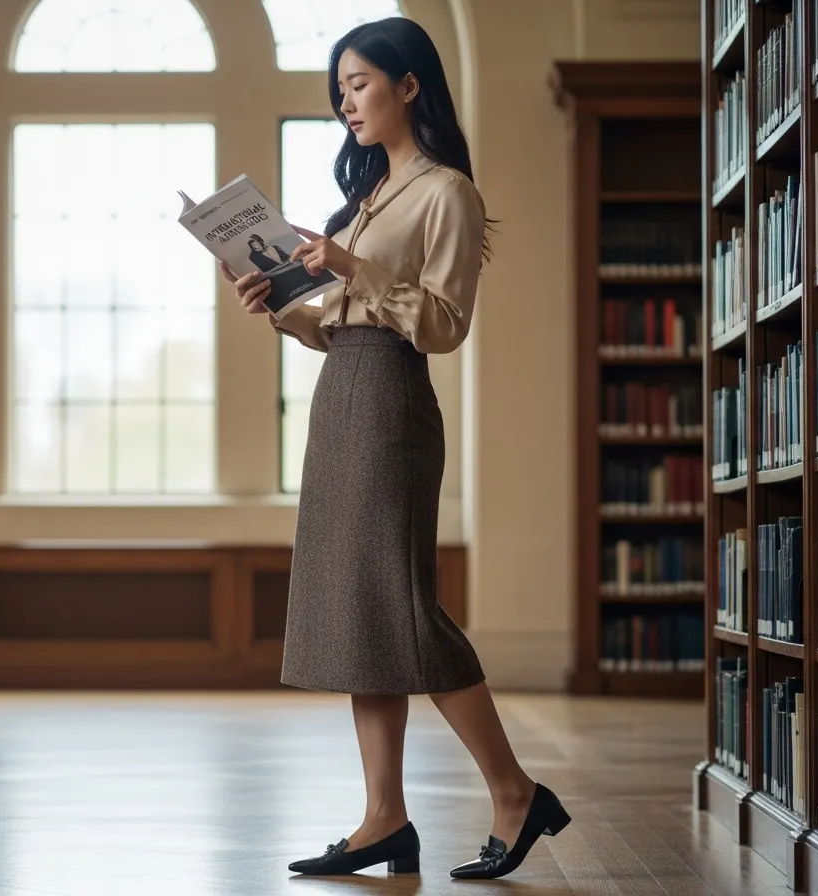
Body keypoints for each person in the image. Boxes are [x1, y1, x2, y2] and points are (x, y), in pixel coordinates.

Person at [219, 17, 570, 881]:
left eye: (361, 83)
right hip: (344, 399)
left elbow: (444, 325)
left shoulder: (447, 192)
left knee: (403, 607)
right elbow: (346, 328)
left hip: (390, 411)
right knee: (359, 615)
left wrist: (349, 266)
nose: (347, 102)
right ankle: (383, 817)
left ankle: (516, 791)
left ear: (409, 85)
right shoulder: (370, 194)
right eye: (339, 89)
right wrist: (282, 306)